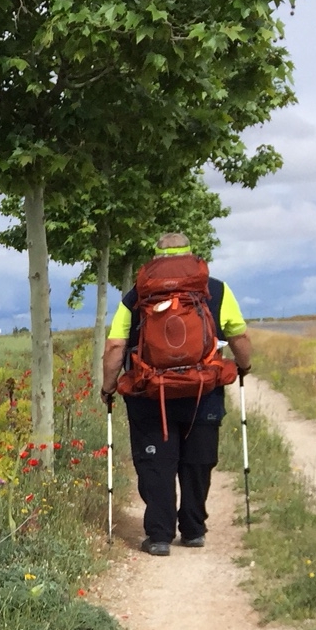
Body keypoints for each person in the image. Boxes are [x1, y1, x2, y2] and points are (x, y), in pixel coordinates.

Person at [100, 233, 252, 556]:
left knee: (156, 463)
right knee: (198, 461)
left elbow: (115, 346)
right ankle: (194, 529)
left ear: (155, 257)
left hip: (150, 395)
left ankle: (159, 535)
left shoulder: (136, 295)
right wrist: (244, 366)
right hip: (203, 392)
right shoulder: (217, 290)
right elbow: (238, 335)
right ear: (191, 255)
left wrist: (108, 386)